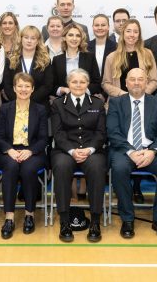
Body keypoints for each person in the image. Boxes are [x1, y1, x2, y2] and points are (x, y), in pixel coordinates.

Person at [107, 68, 157, 240]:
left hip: (150, 150)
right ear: (126, 83)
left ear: (147, 82)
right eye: (132, 79)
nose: (136, 82)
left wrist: (152, 151)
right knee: (119, 169)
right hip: (124, 150)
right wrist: (130, 151)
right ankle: (127, 219)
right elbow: (112, 132)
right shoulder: (116, 103)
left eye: (140, 79)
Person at [51, 68, 107, 243]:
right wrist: (72, 151)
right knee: (61, 166)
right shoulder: (58, 104)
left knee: (98, 167)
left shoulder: (97, 104)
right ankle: (65, 221)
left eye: (82, 82)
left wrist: (89, 149)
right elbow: (58, 133)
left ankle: (95, 222)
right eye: (74, 82)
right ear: (68, 84)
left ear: (88, 84)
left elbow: (101, 133)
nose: (78, 85)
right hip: (65, 150)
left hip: (92, 150)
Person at [0, 73, 48, 239]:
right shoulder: (5, 108)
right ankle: (9, 218)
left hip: (32, 151)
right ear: (14, 88)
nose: (23, 89)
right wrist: (9, 150)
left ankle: (29, 214)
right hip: (7, 151)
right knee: (10, 167)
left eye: (27, 86)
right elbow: (0, 136)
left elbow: (43, 138)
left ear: (32, 89)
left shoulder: (40, 109)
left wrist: (30, 151)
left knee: (28, 169)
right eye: (20, 86)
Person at [102, 19, 157, 97]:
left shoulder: (148, 54)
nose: (132, 35)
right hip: (119, 102)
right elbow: (106, 83)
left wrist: (142, 94)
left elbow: (154, 81)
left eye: (135, 32)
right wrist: (122, 94)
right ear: (123, 34)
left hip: (143, 100)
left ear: (139, 35)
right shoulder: (111, 57)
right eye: (128, 31)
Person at [3, 26, 54, 109]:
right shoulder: (11, 59)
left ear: (37, 41)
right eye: (26, 37)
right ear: (21, 39)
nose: (29, 41)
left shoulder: (45, 61)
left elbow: (47, 85)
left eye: (33, 38)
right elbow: (7, 85)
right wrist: (19, 100)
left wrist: (29, 100)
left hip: (39, 106)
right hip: (16, 105)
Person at [51, 23, 102, 99]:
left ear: (81, 39)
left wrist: (83, 91)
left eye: (78, 36)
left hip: (86, 101)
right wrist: (63, 89)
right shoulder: (57, 60)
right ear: (64, 38)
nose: (74, 39)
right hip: (63, 103)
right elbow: (52, 85)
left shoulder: (90, 57)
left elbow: (97, 83)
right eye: (70, 35)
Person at [88, 14, 117, 79]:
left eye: (103, 25)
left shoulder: (117, 47)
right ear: (92, 27)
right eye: (97, 25)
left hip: (110, 86)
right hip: (91, 87)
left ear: (108, 27)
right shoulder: (85, 47)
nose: (100, 28)